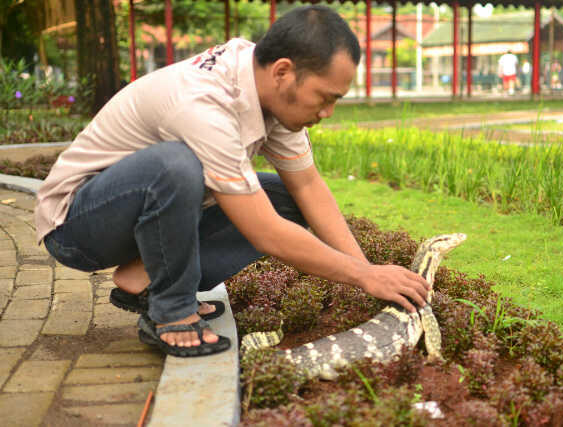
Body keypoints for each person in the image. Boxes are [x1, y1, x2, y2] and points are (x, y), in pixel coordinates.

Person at [34, 6, 429, 357]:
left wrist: (367, 274)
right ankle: (172, 311)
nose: (327, 112)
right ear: (283, 72)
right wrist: (365, 276)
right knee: (176, 165)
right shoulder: (204, 103)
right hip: (76, 225)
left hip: (136, 213)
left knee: (284, 198)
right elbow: (265, 234)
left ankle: (144, 276)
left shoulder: (272, 94)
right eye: (324, 97)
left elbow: (308, 188)